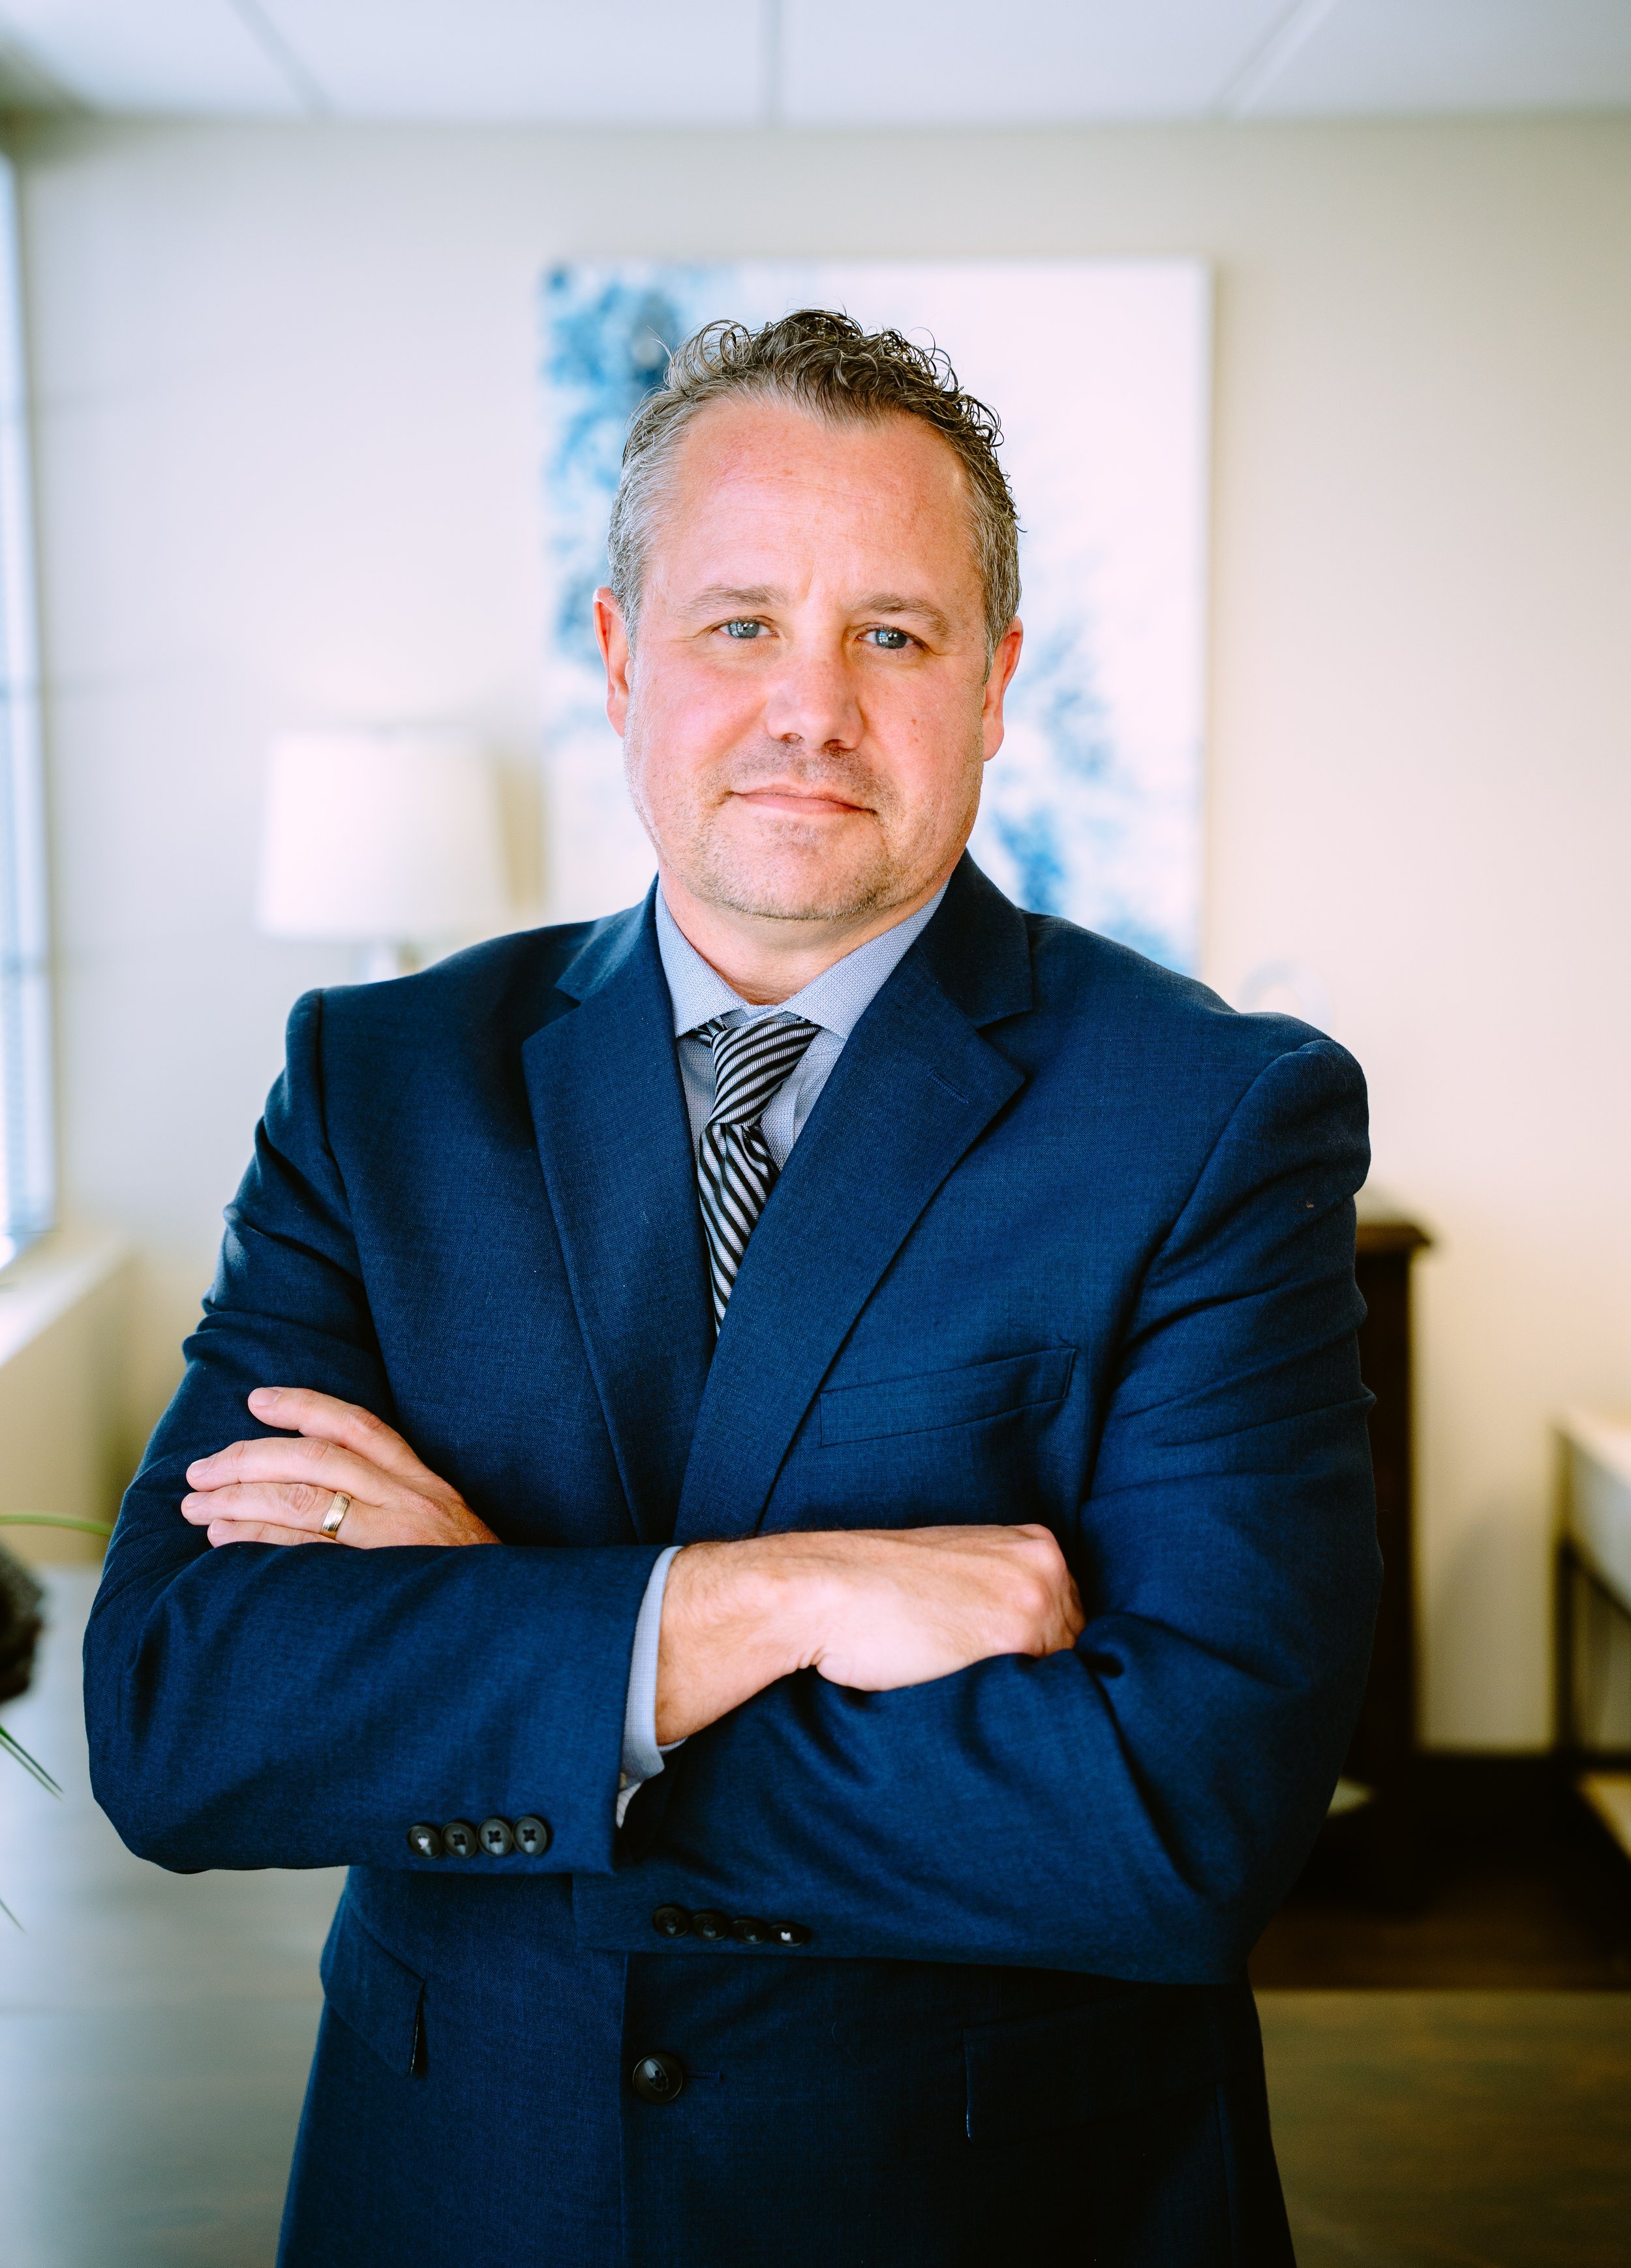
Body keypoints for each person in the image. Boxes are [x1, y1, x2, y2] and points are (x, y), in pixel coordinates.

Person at [85, 310, 1379, 2266]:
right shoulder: (382, 1086)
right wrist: (757, 1607)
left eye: (894, 632)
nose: (812, 708)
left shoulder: (1212, 1114)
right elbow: (184, 1714)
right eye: (737, 624)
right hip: (461, 2189)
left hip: (991, 2206)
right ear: (619, 662)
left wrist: (502, 1639)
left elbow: (1174, 1823)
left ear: (995, 682)